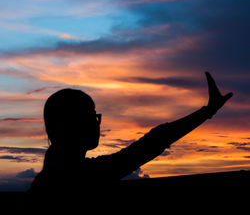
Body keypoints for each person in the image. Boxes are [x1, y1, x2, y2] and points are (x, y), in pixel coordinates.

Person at [28, 72, 232, 200]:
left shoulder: (55, 175)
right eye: (92, 116)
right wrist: (207, 112)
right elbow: (151, 144)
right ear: (72, 124)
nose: (97, 123)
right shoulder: (78, 177)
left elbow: (151, 143)